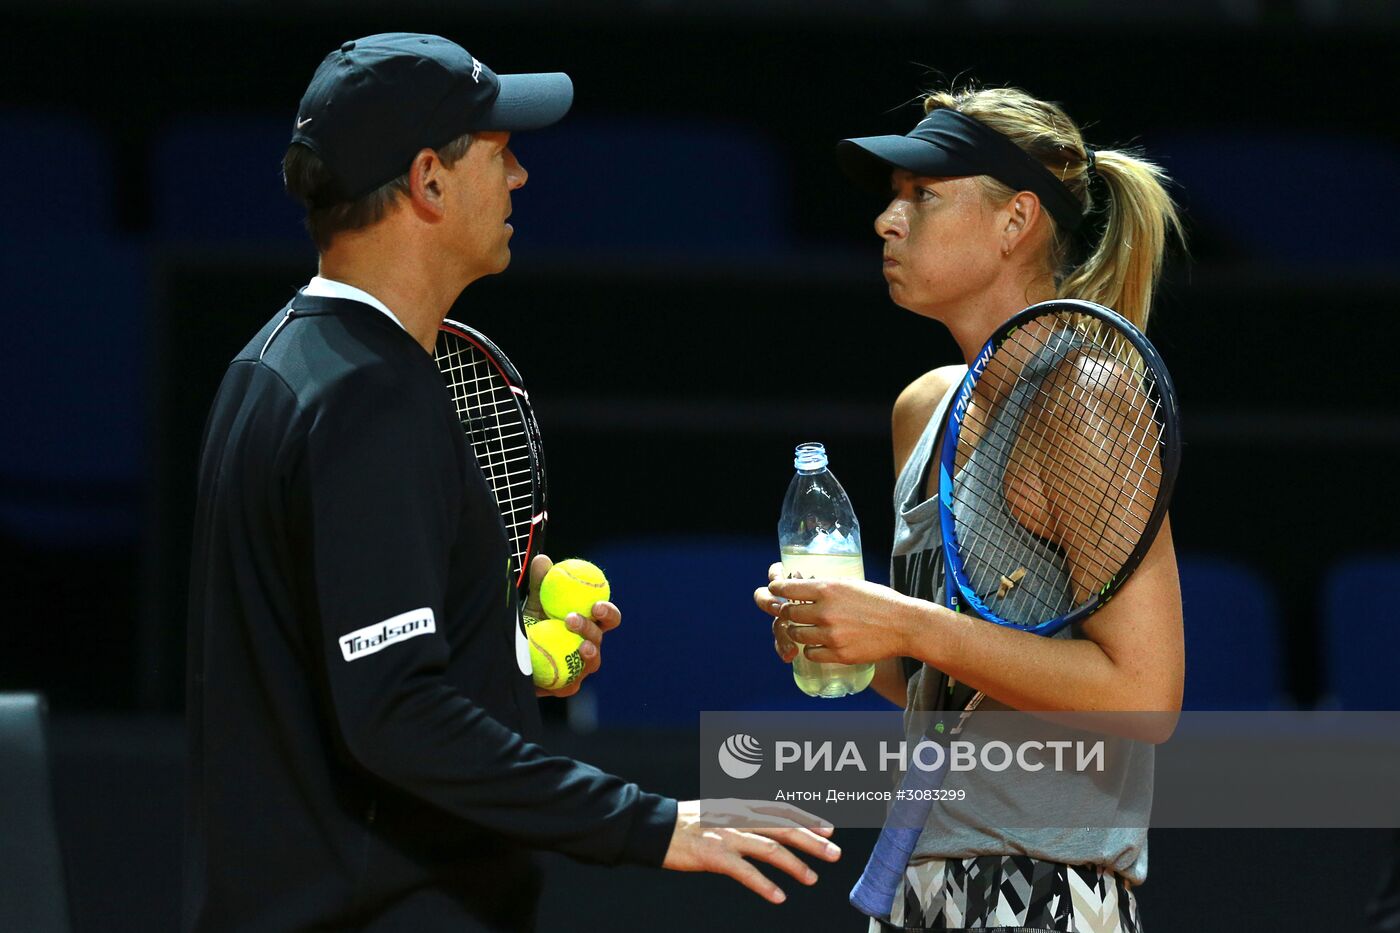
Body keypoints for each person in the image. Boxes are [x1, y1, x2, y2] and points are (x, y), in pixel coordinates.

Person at [185, 32, 839, 933]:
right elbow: (397, 713)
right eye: (500, 152)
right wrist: (656, 822)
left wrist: (506, 658)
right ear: (429, 180)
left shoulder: (269, 364)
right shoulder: (369, 400)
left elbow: (329, 665)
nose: (522, 177)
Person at [754, 84, 1185, 932]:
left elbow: (1146, 695)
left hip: (1044, 891)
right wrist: (853, 641)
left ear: (1015, 221)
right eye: (892, 198)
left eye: (922, 197)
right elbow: (950, 685)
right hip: (924, 887)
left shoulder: (1081, 396)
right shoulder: (925, 409)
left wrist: (908, 625)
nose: (887, 219)